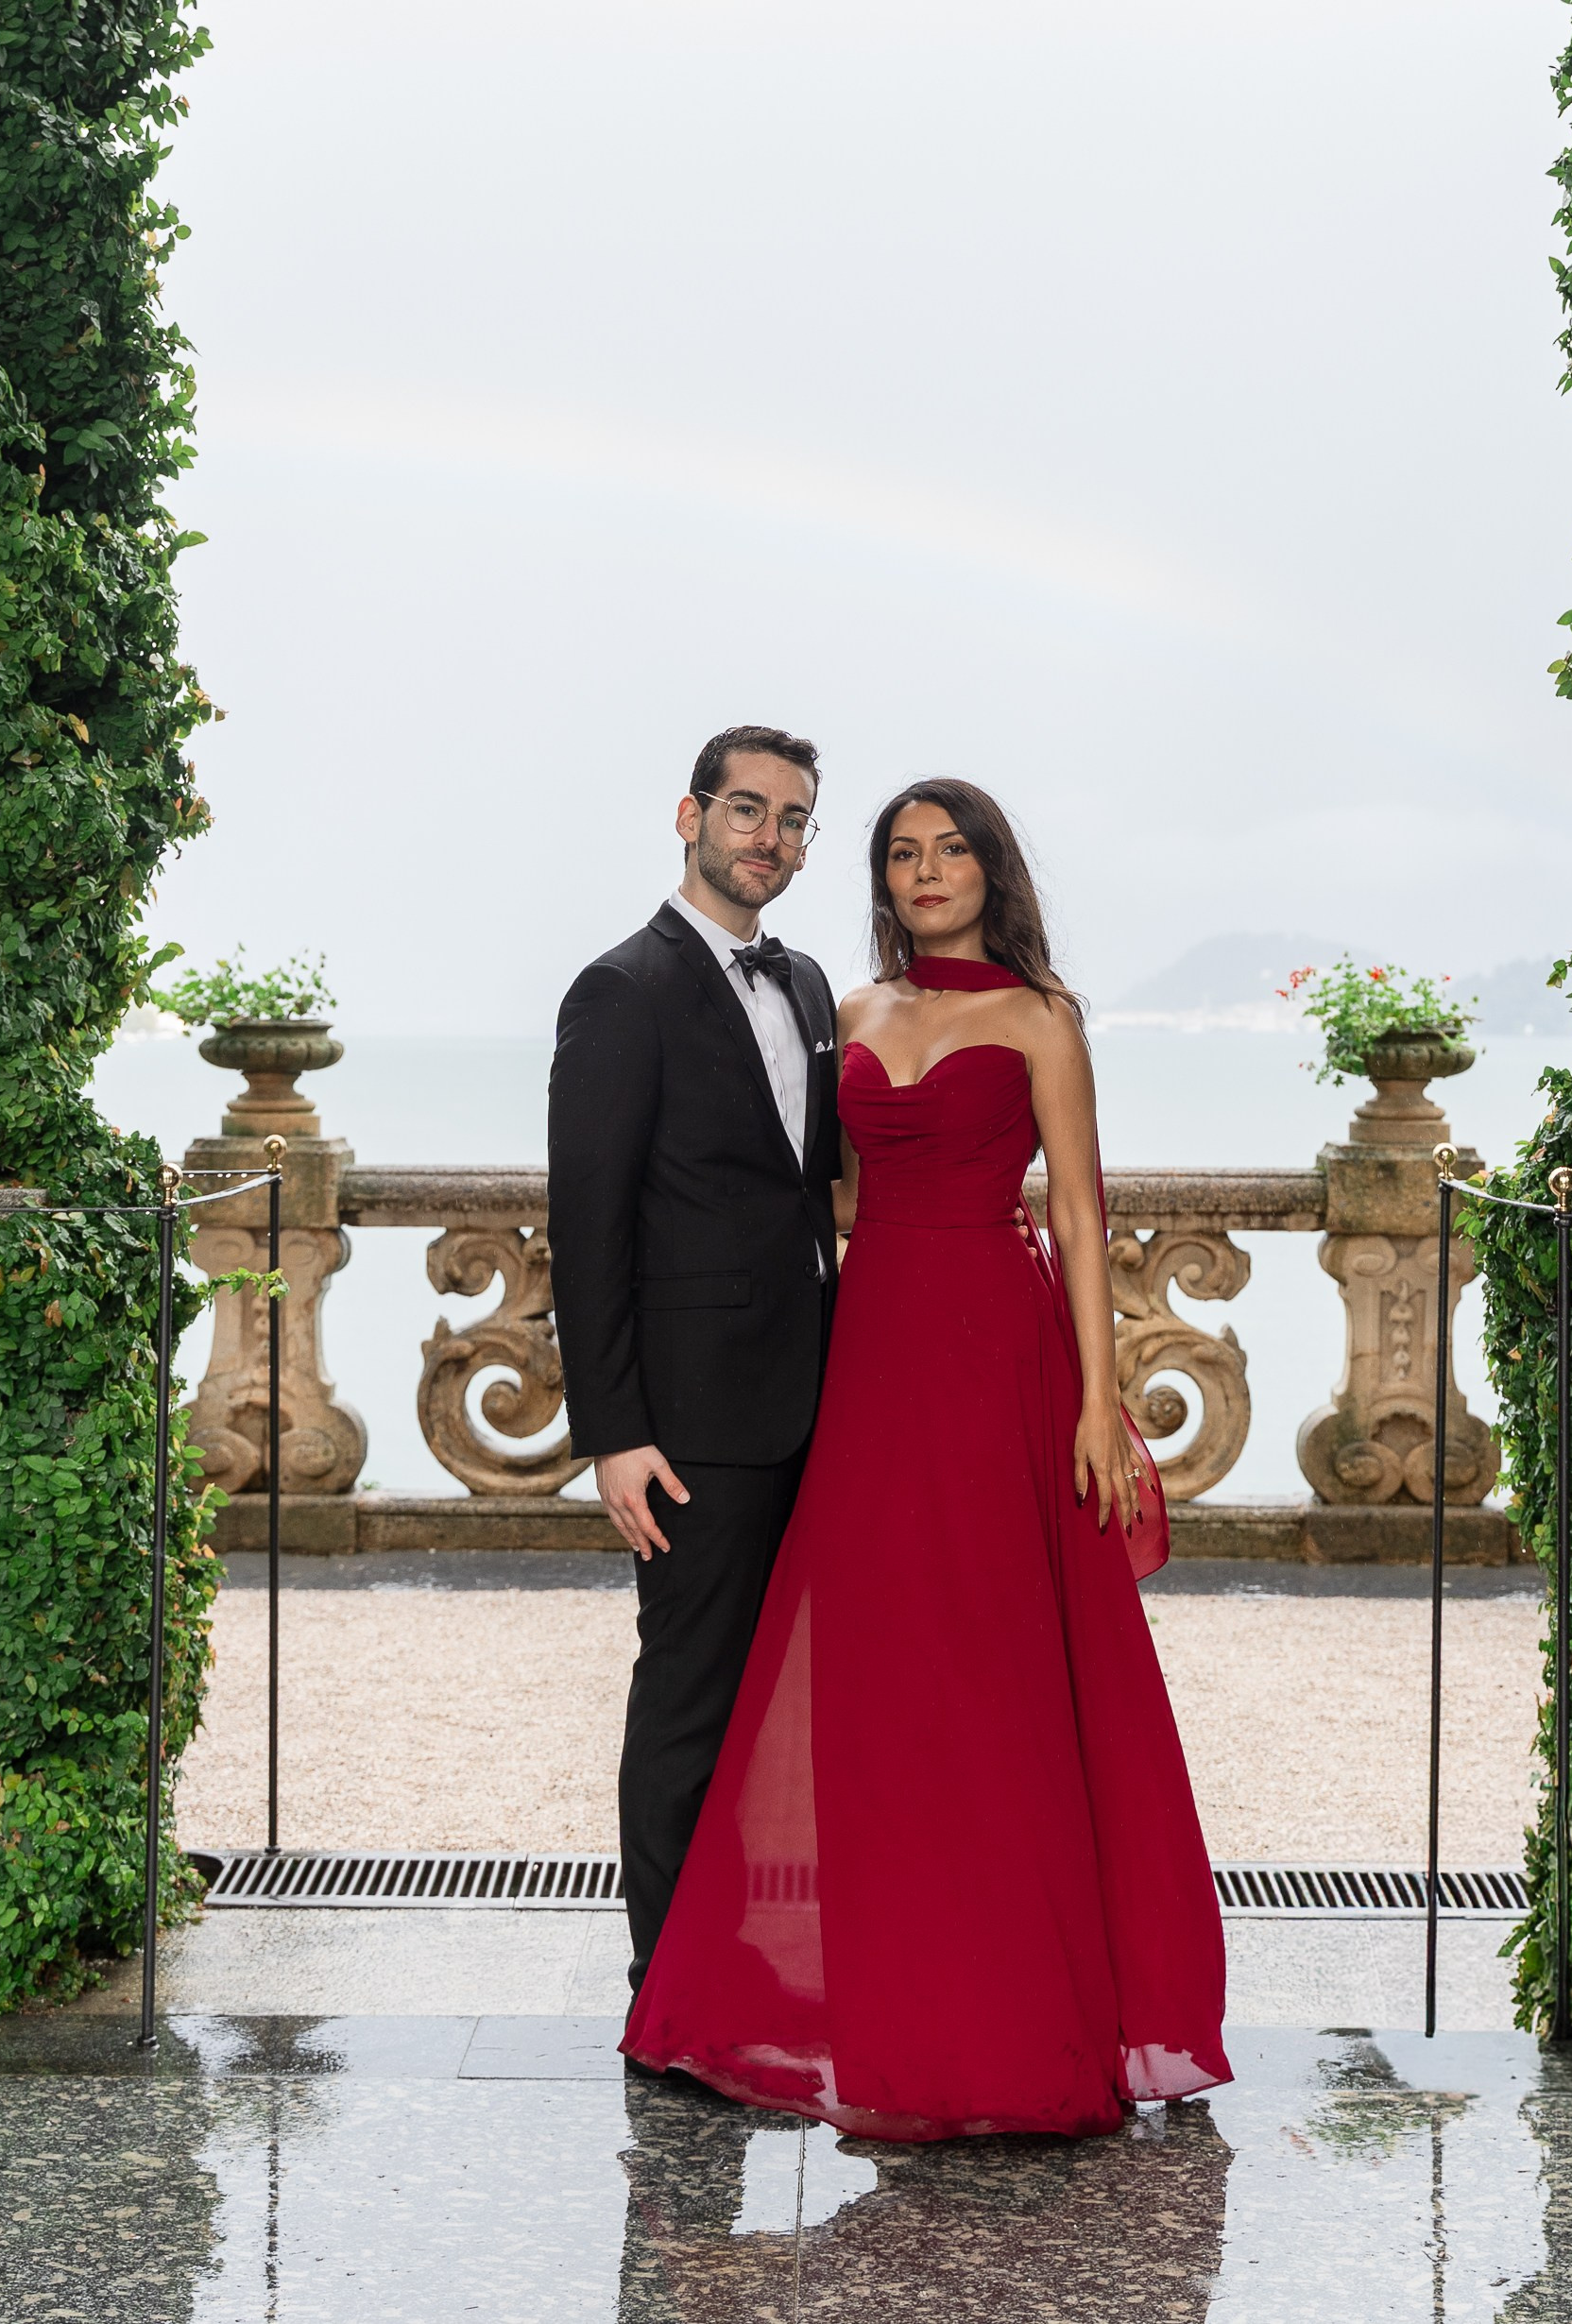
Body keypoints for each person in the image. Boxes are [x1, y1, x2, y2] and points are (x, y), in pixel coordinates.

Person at [622, 778, 1229, 2141]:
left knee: (999, 1666)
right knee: (886, 1671)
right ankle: (898, 1992)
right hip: (873, 1354)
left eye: (951, 850)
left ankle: (1015, 2005)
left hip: (996, 1351)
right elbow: (815, 1192)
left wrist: (1098, 1401)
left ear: (991, 869)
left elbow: (1080, 1212)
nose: (927, 871)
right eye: (903, 854)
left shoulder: (1041, 1017)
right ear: (883, 881)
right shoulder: (851, 1013)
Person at [549, 724, 843, 1991]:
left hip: (819, 1401)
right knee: (689, 1701)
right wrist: (615, 1433)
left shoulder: (812, 987)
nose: (770, 837)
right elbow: (587, 1228)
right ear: (691, 816)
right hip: (693, 1426)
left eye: (794, 819)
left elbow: (813, 1192)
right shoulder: (622, 990)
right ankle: (669, 1986)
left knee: (795, 1702)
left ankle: (763, 1953)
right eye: (747, 810)